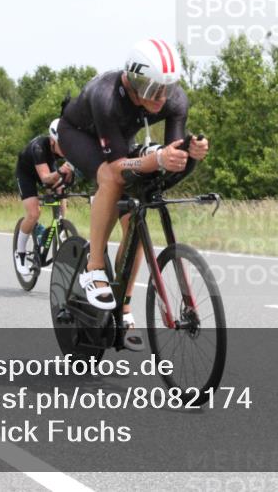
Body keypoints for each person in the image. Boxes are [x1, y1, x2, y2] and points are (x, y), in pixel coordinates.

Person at [58, 39, 209, 351]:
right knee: (109, 180)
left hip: (117, 139)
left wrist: (190, 156)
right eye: (152, 90)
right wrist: (155, 159)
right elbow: (115, 168)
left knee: (135, 219)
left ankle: (123, 309)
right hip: (77, 134)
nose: (161, 98)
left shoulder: (174, 99)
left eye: (166, 88)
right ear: (131, 79)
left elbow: (171, 162)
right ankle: (94, 265)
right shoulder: (106, 95)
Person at [14, 119, 73, 274]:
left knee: (60, 191)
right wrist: (61, 171)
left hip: (47, 167)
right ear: (53, 141)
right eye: (62, 144)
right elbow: (46, 178)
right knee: (34, 213)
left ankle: (60, 225)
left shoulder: (64, 146)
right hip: (27, 174)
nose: (66, 147)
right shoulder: (39, 147)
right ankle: (19, 254)